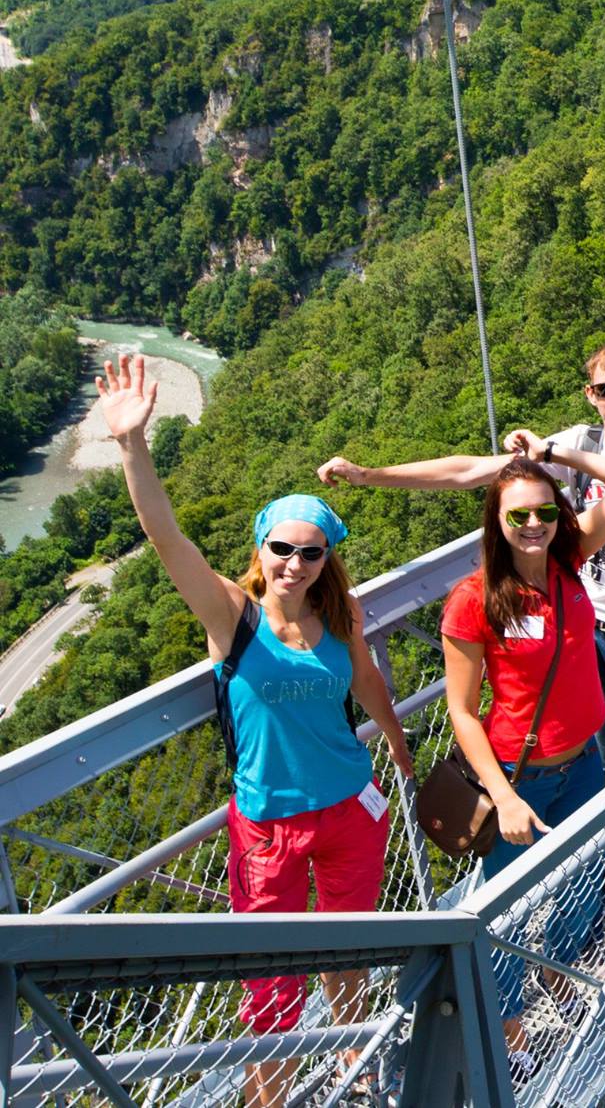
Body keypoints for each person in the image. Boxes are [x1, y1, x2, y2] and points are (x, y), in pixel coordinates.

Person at [96, 355, 412, 1108]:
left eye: (311, 552)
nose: (294, 564)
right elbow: (168, 539)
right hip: (266, 826)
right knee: (270, 980)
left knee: (347, 955)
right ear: (260, 548)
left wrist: (395, 743)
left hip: (349, 807)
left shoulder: (341, 616)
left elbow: (366, 680)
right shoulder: (231, 617)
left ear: (325, 558)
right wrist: (133, 447)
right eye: (282, 548)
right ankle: (268, 1099)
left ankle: (353, 1069)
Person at [317, 344, 605, 779]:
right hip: (588, 634)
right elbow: (469, 472)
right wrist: (369, 476)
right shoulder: (579, 444)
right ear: (589, 394)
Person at [437, 440, 605, 1073]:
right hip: (518, 779)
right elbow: (462, 711)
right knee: (500, 909)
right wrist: (502, 796)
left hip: (583, 764)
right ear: (495, 523)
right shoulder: (475, 600)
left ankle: (557, 972)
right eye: (517, 516)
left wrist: (560, 455)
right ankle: (509, 1025)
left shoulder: (568, 564)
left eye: (545, 513)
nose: (533, 526)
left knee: (583, 879)